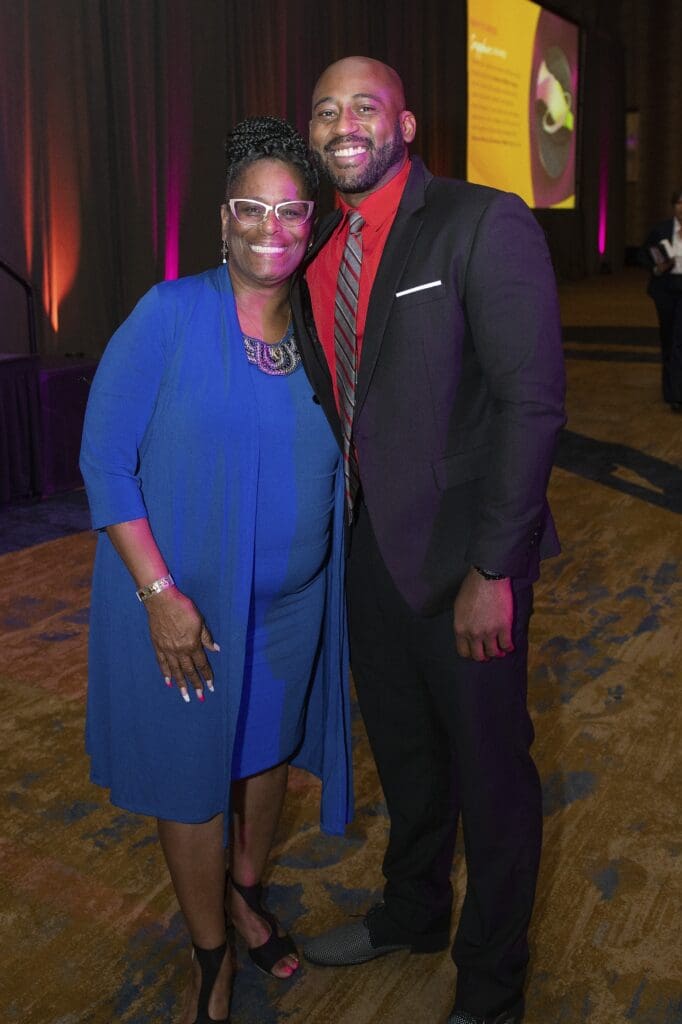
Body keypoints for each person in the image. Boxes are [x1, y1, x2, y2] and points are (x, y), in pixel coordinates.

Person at [291, 57, 566, 1024]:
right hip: (370, 559)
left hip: (467, 565)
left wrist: (495, 567)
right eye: (326, 111)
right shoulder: (317, 243)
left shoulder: (482, 222)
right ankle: (412, 911)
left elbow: (531, 406)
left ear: (406, 124)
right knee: (405, 761)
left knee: (492, 780)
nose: (344, 122)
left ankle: (491, 987)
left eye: (365, 105)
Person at [79, 116, 352, 1024]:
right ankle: (209, 956)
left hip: (291, 610)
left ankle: (244, 893)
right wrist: (158, 595)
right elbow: (105, 462)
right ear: (222, 222)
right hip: (184, 619)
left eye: (289, 211)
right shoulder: (169, 314)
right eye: (251, 208)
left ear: (309, 223)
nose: (270, 227)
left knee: (265, 761)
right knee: (194, 780)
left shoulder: (319, 328)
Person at [638, 188, 682, 412]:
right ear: (673, 206)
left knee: (679, 340)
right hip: (665, 289)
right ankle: (670, 390)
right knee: (668, 338)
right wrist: (657, 268)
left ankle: (677, 393)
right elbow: (643, 254)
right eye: (679, 203)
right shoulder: (662, 230)